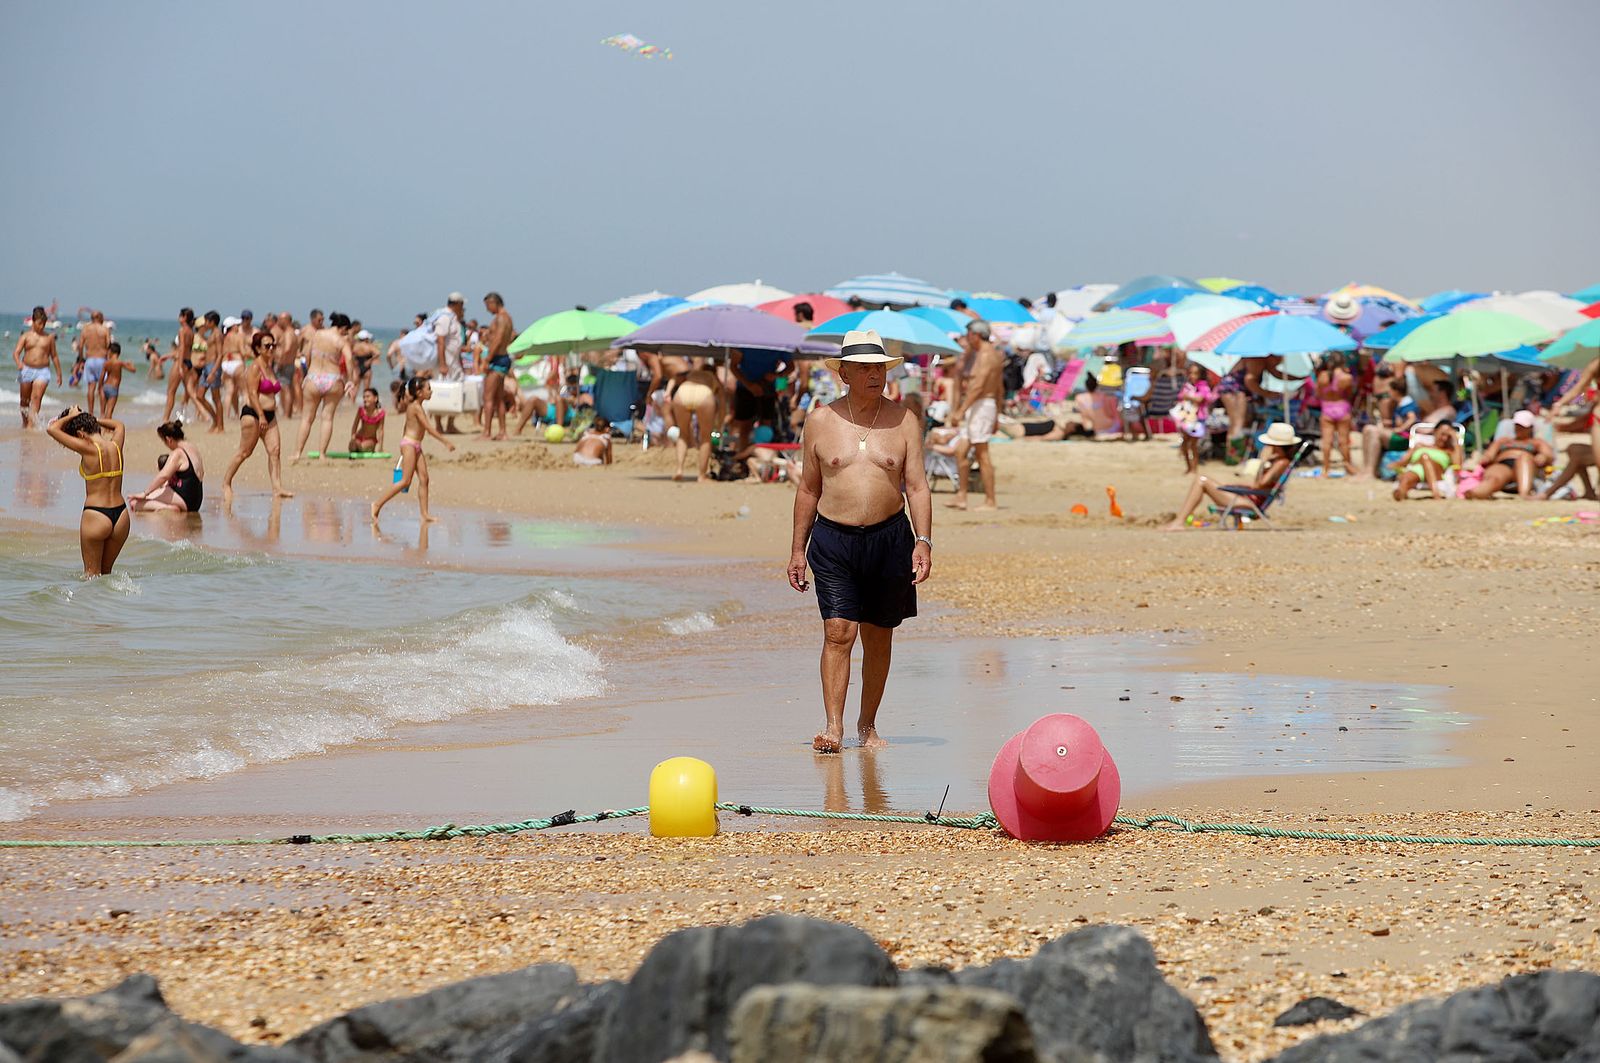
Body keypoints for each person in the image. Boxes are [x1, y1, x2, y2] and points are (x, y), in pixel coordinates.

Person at [787, 329, 932, 754]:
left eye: (879, 368)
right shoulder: (820, 420)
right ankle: (833, 728)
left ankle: (866, 725)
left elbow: (917, 486)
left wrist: (923, 541)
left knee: (879, 636)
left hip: (890, 538)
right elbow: (808, 489)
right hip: (834, 539)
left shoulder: (904, 420)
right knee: (838, 632)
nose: (874, 375)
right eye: (864, 368)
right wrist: (797, 551)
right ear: (844, 373)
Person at [1162, 422, 1298, 530]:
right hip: (1249, 499)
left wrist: (1263, 462)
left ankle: (1179, 521)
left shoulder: (1281, 463)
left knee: (1201, 480)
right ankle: (1179, 520)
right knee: (1205, 480)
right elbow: (1260, 485)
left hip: (1250, 504)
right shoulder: (1279, 461)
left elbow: (1260, 485)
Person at [46, 405, 130, 576]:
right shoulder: (115, 445)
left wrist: (73, 416)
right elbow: (119, 425)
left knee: (91, 577)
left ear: (80, 434)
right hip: (121, 517)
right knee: (106, 574)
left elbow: (52, 429)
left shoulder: (89, 449)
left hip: (96, 515)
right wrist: (90, 418)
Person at [371, 377, 455, 523]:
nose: (431, 391)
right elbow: (428, 428)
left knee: (424, 479)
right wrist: (445, 441)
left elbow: (411, 426)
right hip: (409, 445)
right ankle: (377, 504)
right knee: (405, 481)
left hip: (416, 445)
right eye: (428, 389)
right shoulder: (415, 407)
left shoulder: (417, 406)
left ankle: (425, 514)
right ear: (419, 392)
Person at [221, 331, 293, 502]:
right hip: (253, 414)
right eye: (267, 346)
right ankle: (226, 483)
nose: (271, 348)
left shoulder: (270, 366)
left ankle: (277, 488)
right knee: (245, 452)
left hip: (270, 415)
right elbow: (252, 394)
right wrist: (261, 415)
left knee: (275, 451)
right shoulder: (255, 367)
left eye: (273, 345)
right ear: (258, 349)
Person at [946, 320, 1003, 510]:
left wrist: (960, 411)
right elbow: (999, 388)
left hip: (982, 405)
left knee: (982, 454)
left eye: (968, 334)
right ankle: (961, 496)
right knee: (960, 451)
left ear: (975, 335)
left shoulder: (987, 355)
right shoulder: (983, 354)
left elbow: (978, 387)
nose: (967, 338)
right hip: (981, 406)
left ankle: (990, 501)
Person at [292, 311, 355, 462]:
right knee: (327, 418)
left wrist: (308, 372)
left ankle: (297, 453)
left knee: (306, 418)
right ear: (343, 327)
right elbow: (349, 358)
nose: (346, 334)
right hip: (333, 379)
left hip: (313, 377)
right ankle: (321, 454)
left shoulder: (317, 334)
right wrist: (350, 380)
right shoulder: (340, 340)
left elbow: (306, 355)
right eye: (346, 331)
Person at [1465, 410, 1553, 500]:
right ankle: (1477, 492)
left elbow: (1549, 456)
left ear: (1530, 428)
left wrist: (1543, 457)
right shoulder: (1503, 440)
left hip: (1525, 466)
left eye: (1522, 426)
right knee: (1494, 477)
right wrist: (1486, 458)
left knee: (1524, 458)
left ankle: (1524, 494)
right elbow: (1490, 454)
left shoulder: (1537, 442)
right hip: (1503, 464)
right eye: (1517, 425)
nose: (1518, 428)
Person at [665, 357, 724, 482]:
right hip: (704, 393)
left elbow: (674, 377)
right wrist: (719, 426)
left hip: (683, 391)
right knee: (705, 438)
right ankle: (702, 475)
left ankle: (679, 470)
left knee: (682, 434)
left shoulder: (691, 374)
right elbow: (723, 404)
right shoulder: (714, 378)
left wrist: (668, 392)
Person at [129, 420, 205, 513]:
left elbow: (163, 476)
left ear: (169, 440)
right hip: (197, 500)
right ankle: (171, 506)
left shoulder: (178, 453)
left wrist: (145, 493)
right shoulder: (193, 448)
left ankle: (168, 508)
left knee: (134, 503)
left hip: (185, 498)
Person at [1360, 376, 1421, 478]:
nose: (1388, 393)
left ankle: (1370, 471)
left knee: (1371, 431)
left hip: (1405, 438)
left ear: (1395, 391)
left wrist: (1400, 429)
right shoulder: (1401, 402)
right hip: (1402, 436)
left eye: (1389, 391)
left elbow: (1412, 418)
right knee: (1368, 429)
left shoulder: (1406, 403)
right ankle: (1368, 469)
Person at [14, 306, 62, 428]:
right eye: (40, 323)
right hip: (26, 370)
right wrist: (19, 363)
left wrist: (59, 374)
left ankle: (31, 425)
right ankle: (25, 423)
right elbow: (16, 353)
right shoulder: (26, 336)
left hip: (43, 372)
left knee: (36, 398)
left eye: (44, 324)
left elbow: (54, 356)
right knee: (24, 401)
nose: (42, 326)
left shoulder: (49, 338)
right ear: (33, 321)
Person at [728, 347, 784, 451]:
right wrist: (749, 386)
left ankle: (760, 453)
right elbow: (733, 366)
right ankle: (743, 453)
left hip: (767, 389)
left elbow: (791, 366)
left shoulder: (778, 345)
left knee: (765, 427)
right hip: (745, 390)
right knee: (745, 427)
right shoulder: (743, 344)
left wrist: (776, 375)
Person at [1391, 423, 1462, 501]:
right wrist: (1395, 466)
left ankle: (1435, 493)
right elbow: (1403, 462)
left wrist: (1455, 440)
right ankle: (1401, 493)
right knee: (1407, 477)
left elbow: (1457, 465)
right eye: (1442, 434)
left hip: (1437, 473)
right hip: (1417, 471)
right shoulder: (1419, 445)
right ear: (1435, 432)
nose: (1445, 438)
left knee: (1424, 457)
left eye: (1448, 436)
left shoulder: (1449, 451)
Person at [480, 292, 515, 440]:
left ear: (494, 303)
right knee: (499, 398)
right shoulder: (508, 318)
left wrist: (487, 359)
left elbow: (499, 339)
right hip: (503, 357)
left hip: (497, 359)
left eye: (488, 305)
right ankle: (502, 432)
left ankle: (487, 432)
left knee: (488, 397)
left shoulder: (501, 318)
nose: (487, 309)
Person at [1316, 352, 1357, 476]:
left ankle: (1325, 469)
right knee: (1343, 441)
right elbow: (1349, 395)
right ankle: (1348, 466)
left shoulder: (1322, 376)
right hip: (1342, 407)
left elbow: (1318, 394)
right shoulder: (1347, 377)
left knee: (1326, 441)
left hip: (1327, 408)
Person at [431, 292, 466, 433]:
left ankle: (450, 423)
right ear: (457, 304)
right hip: (446, 362)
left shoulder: (453, 318)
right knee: (439, 391)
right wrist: (442, 364)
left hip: (454, 362)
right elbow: (440, 341)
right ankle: (438, 424)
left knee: (457, 391)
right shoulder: (444, 317)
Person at [1172, 361, 1216, 474]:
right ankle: (1189, 467)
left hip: (1197, 419)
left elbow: (1200, 399)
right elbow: (1182, 397)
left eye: (1195, 373)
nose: (1193, 376)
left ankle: (1194, 468)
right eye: (1191, 373)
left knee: (1193, 445)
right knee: (1185, 443)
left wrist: (1188, 397)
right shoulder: (1188, 386)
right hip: (1186, 418)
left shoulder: (1203, 386)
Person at [161, 308, 197, 422]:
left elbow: (181, 348)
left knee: (171, 392)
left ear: (184, 317)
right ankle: (201, 414)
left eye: (180, 315)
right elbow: (187, 350)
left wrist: (180, 366)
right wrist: (169, 355)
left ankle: (166, 418)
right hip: (188, 362)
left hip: (180, 363)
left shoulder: (182, 330)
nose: (178, 317)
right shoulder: (191, 331)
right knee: (190, 392)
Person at [79, 311, 113, 417]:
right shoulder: (105, 329)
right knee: (102, 388)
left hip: (89, 360)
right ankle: (102, 414)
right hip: (102, 360)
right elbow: (109, 345)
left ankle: (91, 413)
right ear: (100, 318)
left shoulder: (85, 329)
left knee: (91, 388)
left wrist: (81, 360)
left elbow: (80, 346)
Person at [97, 342, 138, 419]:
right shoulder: (120, 363)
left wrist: (99, 388)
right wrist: (131, 364)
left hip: (105, 387)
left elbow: (101, 377)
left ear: (111, 351)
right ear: (119, 353)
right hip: (113, 388)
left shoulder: (106, 363)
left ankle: (101, 425)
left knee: (102, 412)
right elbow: (133, 370)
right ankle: (107, 426)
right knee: (109, 411)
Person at [349, 387, 387, 453]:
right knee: (353, 446)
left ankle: (365, 448)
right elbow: (355, 425)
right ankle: (357, 448)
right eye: (364, 397)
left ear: (375, 398)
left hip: (370, 439)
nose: (365, 399)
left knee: (361, 447)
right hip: (359, 437)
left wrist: (380, 446)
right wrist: (353, 438)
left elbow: (380, 430)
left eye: (368, 397)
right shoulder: (361, 410)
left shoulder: (380, 413)